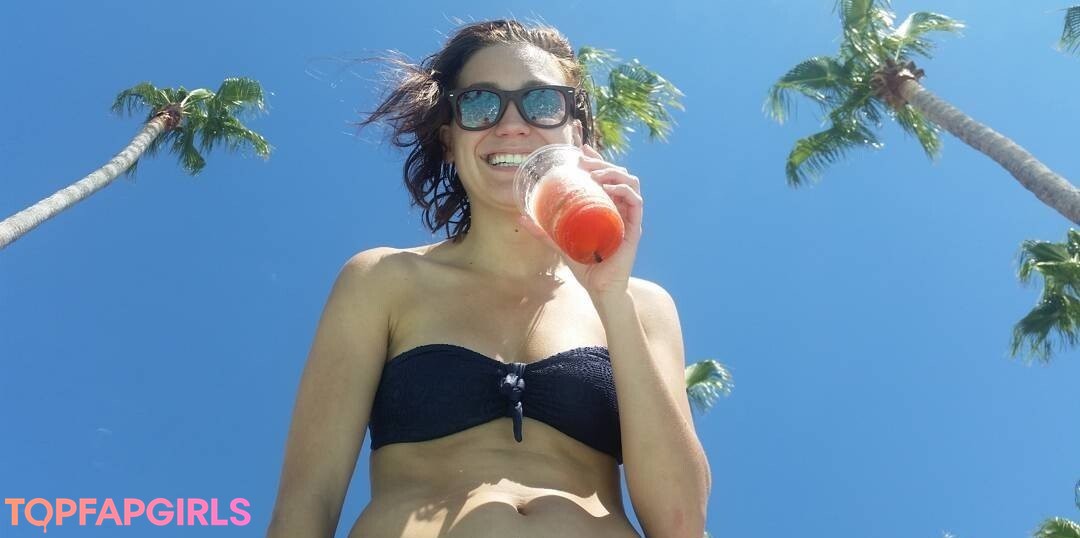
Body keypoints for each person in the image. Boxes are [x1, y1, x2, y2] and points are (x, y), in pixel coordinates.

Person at [266, 19, 710, 538]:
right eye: (479, 104)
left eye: (541, 102)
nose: (512, 124)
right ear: (449, 140)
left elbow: (681, 523)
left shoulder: (642, 303)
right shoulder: (382, 280)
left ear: (576, 133)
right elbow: (307, 504)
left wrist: (610, 297)